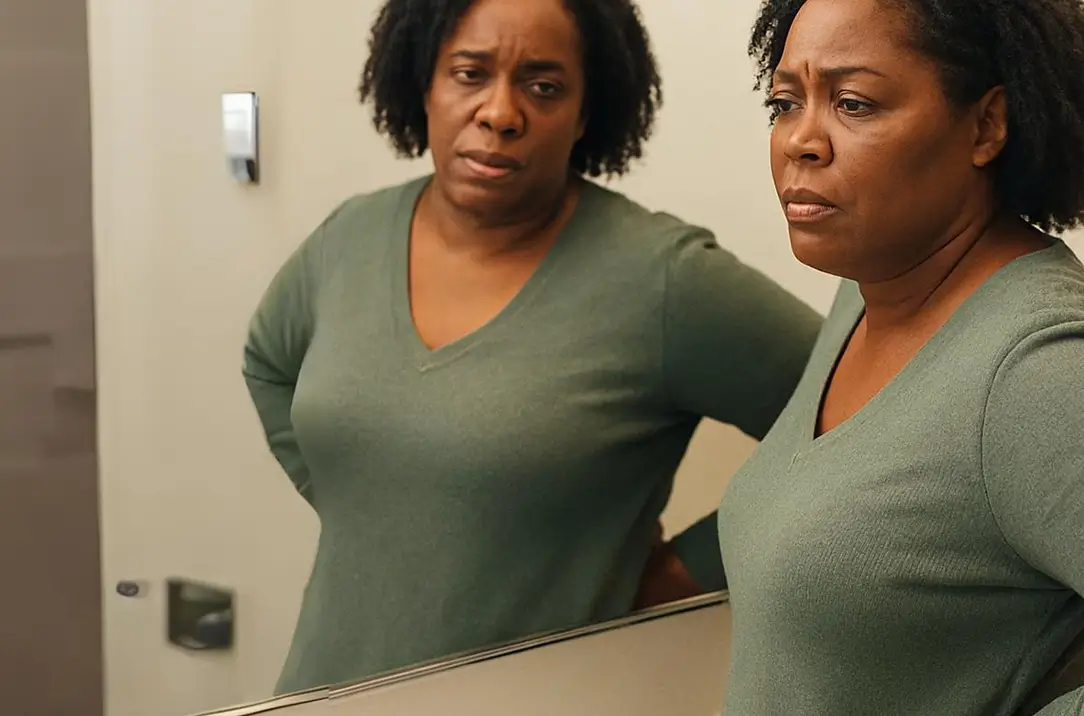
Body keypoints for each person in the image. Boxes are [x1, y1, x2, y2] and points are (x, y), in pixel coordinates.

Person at [716, 0, 1084, 714]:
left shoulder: (1042, 365)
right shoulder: (869, 291)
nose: (800, 140)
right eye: (785, 101)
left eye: (854, 102)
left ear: (986, 125)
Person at [241, 0, 821, 694]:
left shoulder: (663, 280)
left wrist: (693, 570)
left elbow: (859, 419)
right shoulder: (350, 238)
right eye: (469, 73)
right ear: (423, 82)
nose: (500, 112)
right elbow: (268, 364)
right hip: (320, 695)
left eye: (543, 86)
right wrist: (363, 503)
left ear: (585, 113)